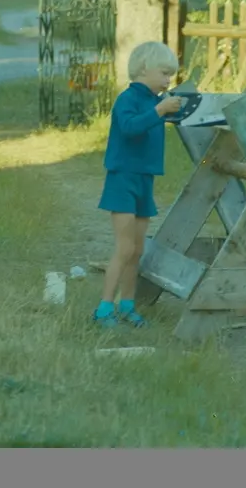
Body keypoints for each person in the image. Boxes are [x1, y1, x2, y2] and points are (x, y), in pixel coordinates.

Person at [93, 41, 184, 327]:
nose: (168, 80)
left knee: (138, 250)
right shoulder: (128, 100)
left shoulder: (156, 102)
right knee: (124, 248)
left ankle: (127, 305)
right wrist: (160, 111)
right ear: (144, 69)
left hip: (145, 179)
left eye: (171, 75)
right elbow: (130, 127)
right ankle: (104, 308)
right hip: (123, 179)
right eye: (164, 73)